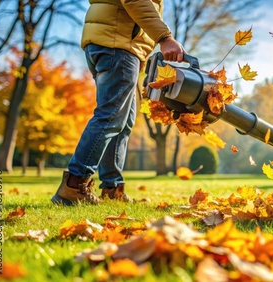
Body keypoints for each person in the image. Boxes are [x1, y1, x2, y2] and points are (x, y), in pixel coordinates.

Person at [52, 0, 185, 205]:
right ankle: (74, 184)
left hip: (115, 45)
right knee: (110, 117)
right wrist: (165, 38)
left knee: (123, 121)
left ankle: (112, 188)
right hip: (118, 45)